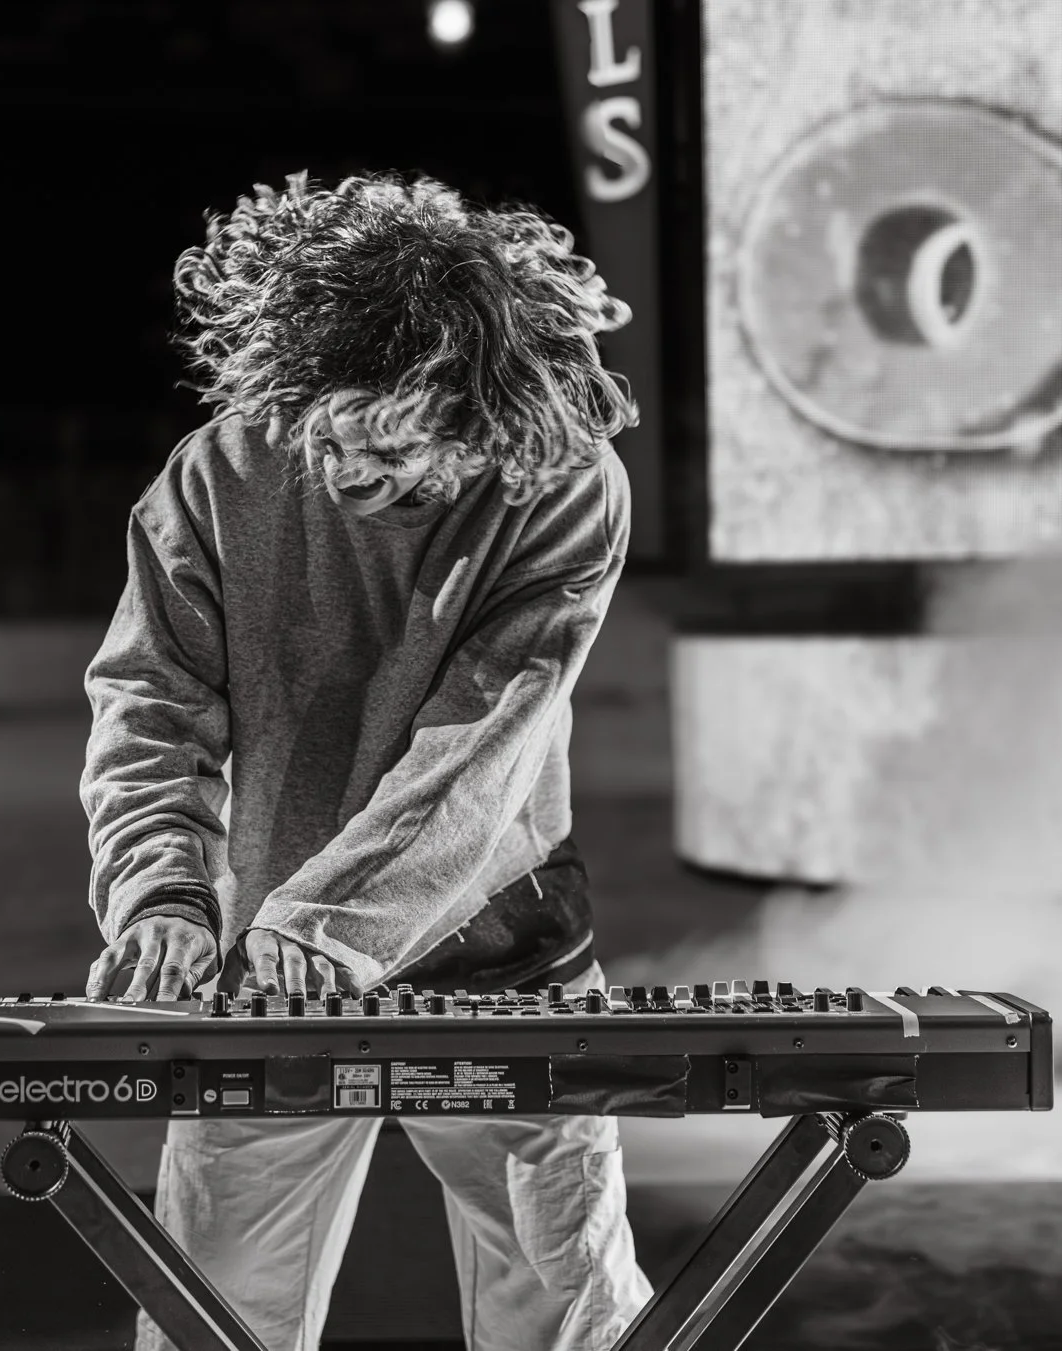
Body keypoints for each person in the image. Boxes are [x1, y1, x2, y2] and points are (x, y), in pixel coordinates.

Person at [78, 171, 654, 1351]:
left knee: (566, 1315)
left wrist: (329, 922)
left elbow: (484, 738)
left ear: (475, 403)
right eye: (330, 432)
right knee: (208, 1313)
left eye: (391, 443)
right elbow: (150, 702)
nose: (347, 472)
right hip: (267, 961)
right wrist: (165, 894)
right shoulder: (218, 474)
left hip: (498, 949)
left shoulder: (561, 481)